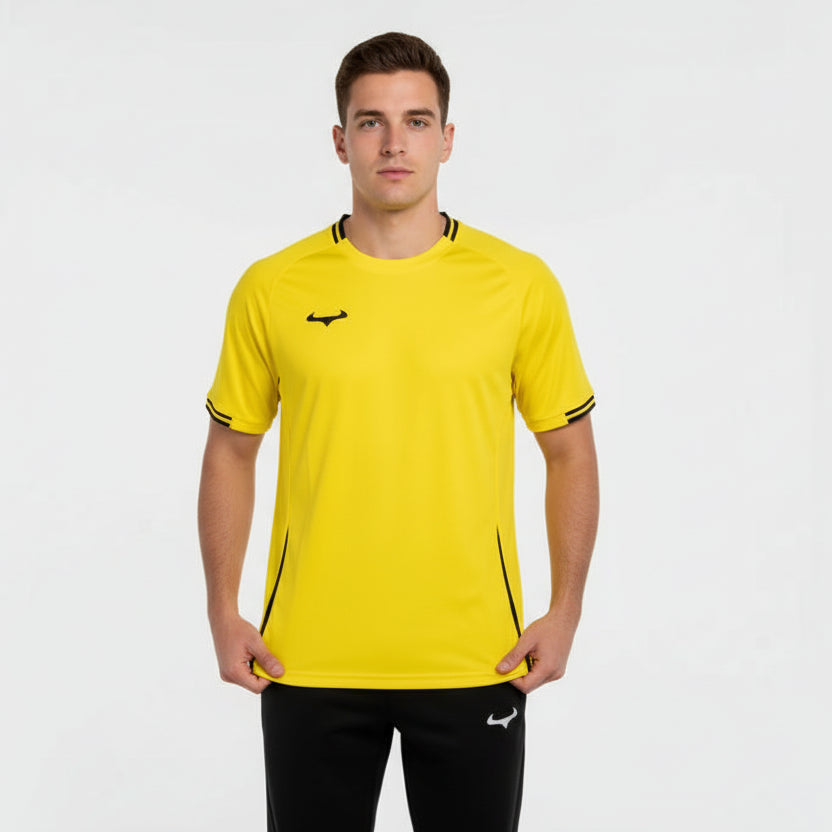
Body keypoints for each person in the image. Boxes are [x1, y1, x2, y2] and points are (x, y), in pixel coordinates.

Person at [198, 31, 599, 832]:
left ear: (446, 139)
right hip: (307, 658)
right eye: (371, 122)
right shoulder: (273, 287)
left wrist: (565, 611)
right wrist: (222, 609)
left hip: (476, 658)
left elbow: (569, 453)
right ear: (340, 140)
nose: (393, 143)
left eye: (416, 122)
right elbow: (231, 451)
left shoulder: (518, 284)